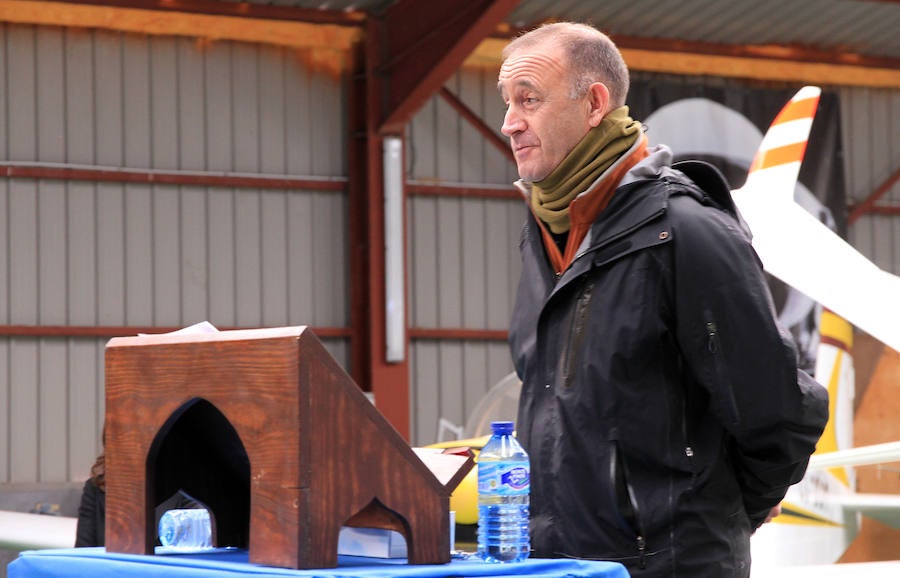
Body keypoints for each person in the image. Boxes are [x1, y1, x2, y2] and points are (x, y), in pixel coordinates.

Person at [499, 22, 829, 577]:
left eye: (528, 100)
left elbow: (775, 410)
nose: (510, 122)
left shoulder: (683, 230)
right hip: (561, 566)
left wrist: (705, 527)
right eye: (507, 103)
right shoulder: (546, 235)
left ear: (595, 103)